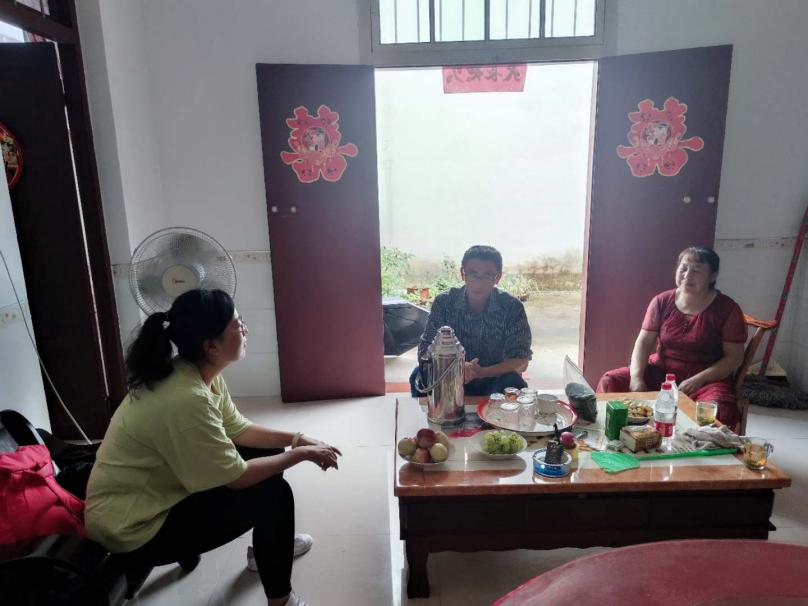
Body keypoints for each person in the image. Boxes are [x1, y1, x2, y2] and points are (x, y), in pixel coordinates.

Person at [85, 289, 341, 606]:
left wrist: (296, 438)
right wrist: (300, 454)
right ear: (211, 345)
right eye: (236, 324)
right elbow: (238, 477)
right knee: (274, 496)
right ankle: (282, 600)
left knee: (267, 455)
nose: (245, 328)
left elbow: (237, 429)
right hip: (133, 530)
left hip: (156, 498)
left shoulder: (195, 371)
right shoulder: (186, 400)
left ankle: (265, 551)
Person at [596, 246, 747, 428]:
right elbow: (643, 343)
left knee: (718, 409)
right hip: (661, 371)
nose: (687, 275)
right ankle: (611, 434)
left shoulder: (728, 309)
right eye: (683, 268)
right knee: (610, 381)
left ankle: (691, 445)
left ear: (712, 276)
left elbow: (734, 357)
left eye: (697, 270)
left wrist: (698, 379)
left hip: (707, 380)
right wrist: (636, 377)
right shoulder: (661, 301)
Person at [409, 245, 533, 397]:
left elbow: (521, 361)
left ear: (498, 277)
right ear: (463, 273)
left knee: (514, 382)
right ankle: (434, 412)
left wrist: (480, 372)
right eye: (473, 274)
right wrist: (458, 368)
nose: (478, 283)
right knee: (419, 375)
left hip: (493, 378)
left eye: (487, 275)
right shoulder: (445, 303)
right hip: (448, 376)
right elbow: (424, 352)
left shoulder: (511, 307)